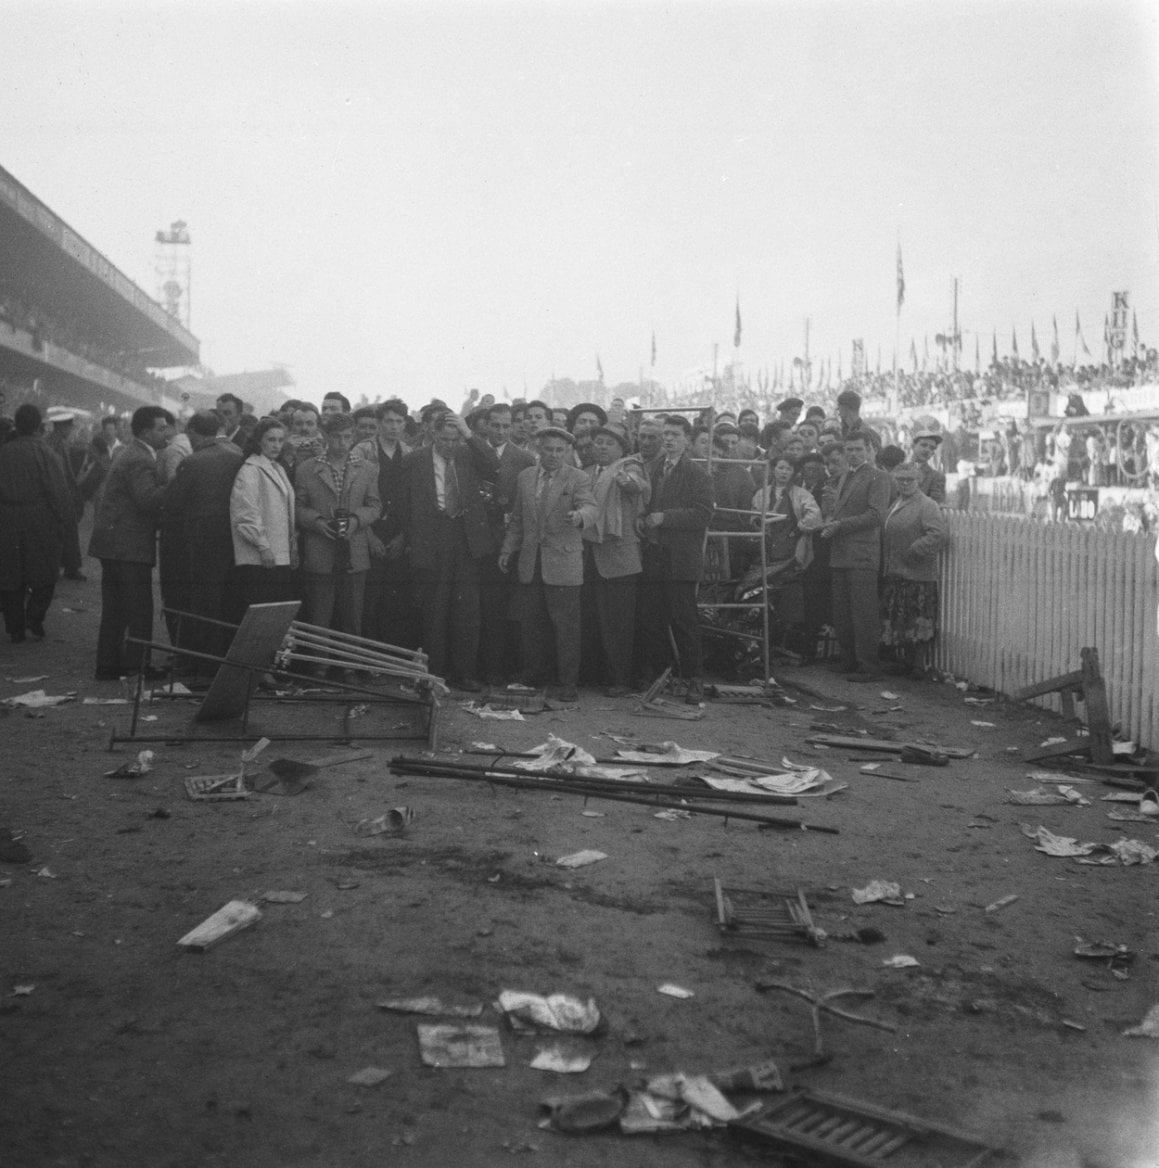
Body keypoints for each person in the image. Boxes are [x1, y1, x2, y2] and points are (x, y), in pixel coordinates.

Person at [396, 410, 494, 689]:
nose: (450, 445)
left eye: (455, 439)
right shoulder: (415, 460)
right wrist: (415, 536)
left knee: (467, 611)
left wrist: (468, 433)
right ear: (433, 435)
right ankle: (436, 673)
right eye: (445, 439)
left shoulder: (467, 453)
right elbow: (403, 503)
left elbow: (493, 464)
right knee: (434, 609)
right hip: (432, 536)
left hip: (465, 537)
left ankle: (466, 673)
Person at [500, 427, 597, 702]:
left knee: (566, 628)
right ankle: (531, 676)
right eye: (548, 449)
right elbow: (518, 519)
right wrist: (508, 549)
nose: (554, 455)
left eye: (560, 450)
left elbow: (591, 507)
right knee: (530, 625)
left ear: (567, 452)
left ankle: (568, 684)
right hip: (531, 562)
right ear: (538, 450)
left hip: (563, 563)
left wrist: (580, 516)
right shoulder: (526, 477)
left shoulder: (577, 478)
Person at [88, 405, 171, 679]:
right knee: (138, 609)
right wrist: (176, 484)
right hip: (128, 546)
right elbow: (147, 500)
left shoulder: (131, 452)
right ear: (146, 431)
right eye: (161, 428)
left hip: (113, 543)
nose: (166, 433)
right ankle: (136, 666)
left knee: (115, 609)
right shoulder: (141, 459)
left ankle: (107, 666)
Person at [159, 411, 244, 671]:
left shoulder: (193, 461)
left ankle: (201, 662)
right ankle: (222, 659)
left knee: (201, 602)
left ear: (194, 433)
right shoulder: (237, 454)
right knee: (226, 600)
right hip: (232, 540)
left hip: (198, 542)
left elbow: (171, 502)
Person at [637, 415, 713, 702]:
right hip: (655, 556)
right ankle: (664, 676)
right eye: (666, 434)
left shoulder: (697, 474)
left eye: (675, 435)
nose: (668, 439)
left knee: (684, 621)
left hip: (681, 559)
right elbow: (645, 504)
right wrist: (642, 518)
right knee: (653, 619)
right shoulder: (653, 469)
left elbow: (704, 514)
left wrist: (665, 518)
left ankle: (694, 679)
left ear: (687, 440)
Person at [294, 412, 381, 648]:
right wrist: (317, 521)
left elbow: (375, 505)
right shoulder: (306, 469)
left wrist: (356, 520)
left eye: (346, 437)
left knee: (353, 614)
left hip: (355, 549)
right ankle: (319, 668)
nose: (342, 443)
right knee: (320, 614)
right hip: (321, 548)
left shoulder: (367, 468)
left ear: (353, 436)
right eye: (336, 437)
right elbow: (297, 507)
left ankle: (350, 668)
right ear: (325, 436)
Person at [582, 423, 650, 696]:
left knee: (618, 624)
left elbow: (638, 485)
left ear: (622, 448)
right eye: (598, 441)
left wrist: (629, 481)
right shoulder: (587, 473)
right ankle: (597, 676)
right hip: (591, 556)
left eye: (609, 443)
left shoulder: (628, 467)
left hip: (620, 559)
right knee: (594, 620)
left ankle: (620, 680)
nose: (601, 446)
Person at [818, 432, 890, 682]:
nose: (853, 454)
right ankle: (848, 659)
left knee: (863, 612)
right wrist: (830, 524)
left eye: (859, 449)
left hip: (862, 553)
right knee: (843, 612)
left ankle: (869, 666)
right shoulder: (846, 476)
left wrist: (840, 525)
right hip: (841, 551)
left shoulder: (878, 477)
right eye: (849, 449)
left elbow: (876, 515)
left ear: (870, 450)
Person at [472, 403, 534, 684]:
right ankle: (484, 667)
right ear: (485, 424)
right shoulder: (470, 452)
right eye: (495, 425)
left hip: (509, 542)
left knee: (507, 608)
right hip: (478, 541)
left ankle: (504, 668)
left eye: (506, 426)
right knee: (481, 608)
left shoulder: (523, 458)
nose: (500, 431)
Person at [0, 404, 73, 643]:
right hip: (39, 521)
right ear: (38, 426)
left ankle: (15, 627)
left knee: (10, 576)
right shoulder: (45, 454)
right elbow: (58, 492)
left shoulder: (4, 452)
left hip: (7, 520)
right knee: (45, 573)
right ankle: (34, 616)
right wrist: (62, 520)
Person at [356, 398, 416, 649]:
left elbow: (415, 501)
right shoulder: (362, 451)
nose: (393, 426)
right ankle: (369, 659)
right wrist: (370, 536)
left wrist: (404, 536)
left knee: (397, 599)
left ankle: (393, 656)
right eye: (388, 421)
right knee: (370, 600)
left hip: (399, 534)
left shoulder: (411, 454)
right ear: (379, 424)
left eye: (398, 421)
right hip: (370, 531)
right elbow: (353, 498)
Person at [880, 462, 949, 676]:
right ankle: (906, 663)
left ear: (919, 481)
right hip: (897, 571)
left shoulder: (927, 504)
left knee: (918, 620)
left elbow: (938, 534)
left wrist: (915, 549)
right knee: (901, 619)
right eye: (901, 480)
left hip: (917, 574)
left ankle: (918, 666)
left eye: (910, 480)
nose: (905, 483)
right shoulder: (897, 502)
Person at [230, 417, 298, 614]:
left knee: (277, 613)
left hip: (278, 554)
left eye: (280, 440)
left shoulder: (276, 468)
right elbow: (245, 513)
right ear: (259, 441)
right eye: (271, 440)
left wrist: (291, 546)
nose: (276, 445)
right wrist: (263, 546)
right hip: (260, 558)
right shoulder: (250, 470)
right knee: (262, 613)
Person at [44, 407, 86, 580]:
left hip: (64, 495)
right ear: (62, 427)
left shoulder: (59, 442)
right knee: (58, 533)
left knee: (68, 532)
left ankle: (70, 567)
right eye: (69, 427)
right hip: (57, 495)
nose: (71, 430)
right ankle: (61, 567)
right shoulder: (51, 444)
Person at [835, 389, 882, 453]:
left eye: (839, 407)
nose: (838, 411)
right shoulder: (841, 431)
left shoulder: (868, 433)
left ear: (845, 408)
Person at [910, 429, 947, 504]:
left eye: (932, 448)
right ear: (913, 446)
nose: (927, 450)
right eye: (923, 445)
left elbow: (936, 506)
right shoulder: (898, 469)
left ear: (933, 453)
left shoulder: (936, 477)